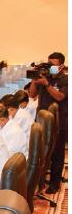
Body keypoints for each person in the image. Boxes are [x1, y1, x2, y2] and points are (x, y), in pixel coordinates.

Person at [28, 52, 67, 194]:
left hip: (59, 122)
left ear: (61, 66)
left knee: (56, 154)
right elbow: (32, 95)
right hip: (41, 119)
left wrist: (47, 85)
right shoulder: (45, 77)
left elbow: (60, 97)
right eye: (49, 64)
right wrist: (34, 80)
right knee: (41, 152)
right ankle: (40, 180)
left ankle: (54, 184)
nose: (51, 67)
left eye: (53, 65)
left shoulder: (65, 80)